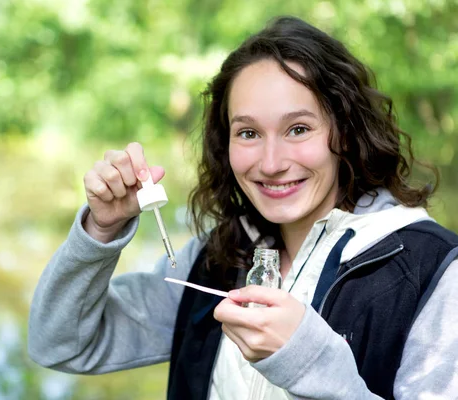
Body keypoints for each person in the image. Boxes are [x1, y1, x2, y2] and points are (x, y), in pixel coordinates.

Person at [28, 16, 458, 399]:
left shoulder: (431, 272)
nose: (270, 164)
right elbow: (61, 343)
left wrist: (309, 362)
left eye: (298, 128)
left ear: (344, 131)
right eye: (248, 133)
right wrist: (100, 231)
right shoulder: (212, 259)